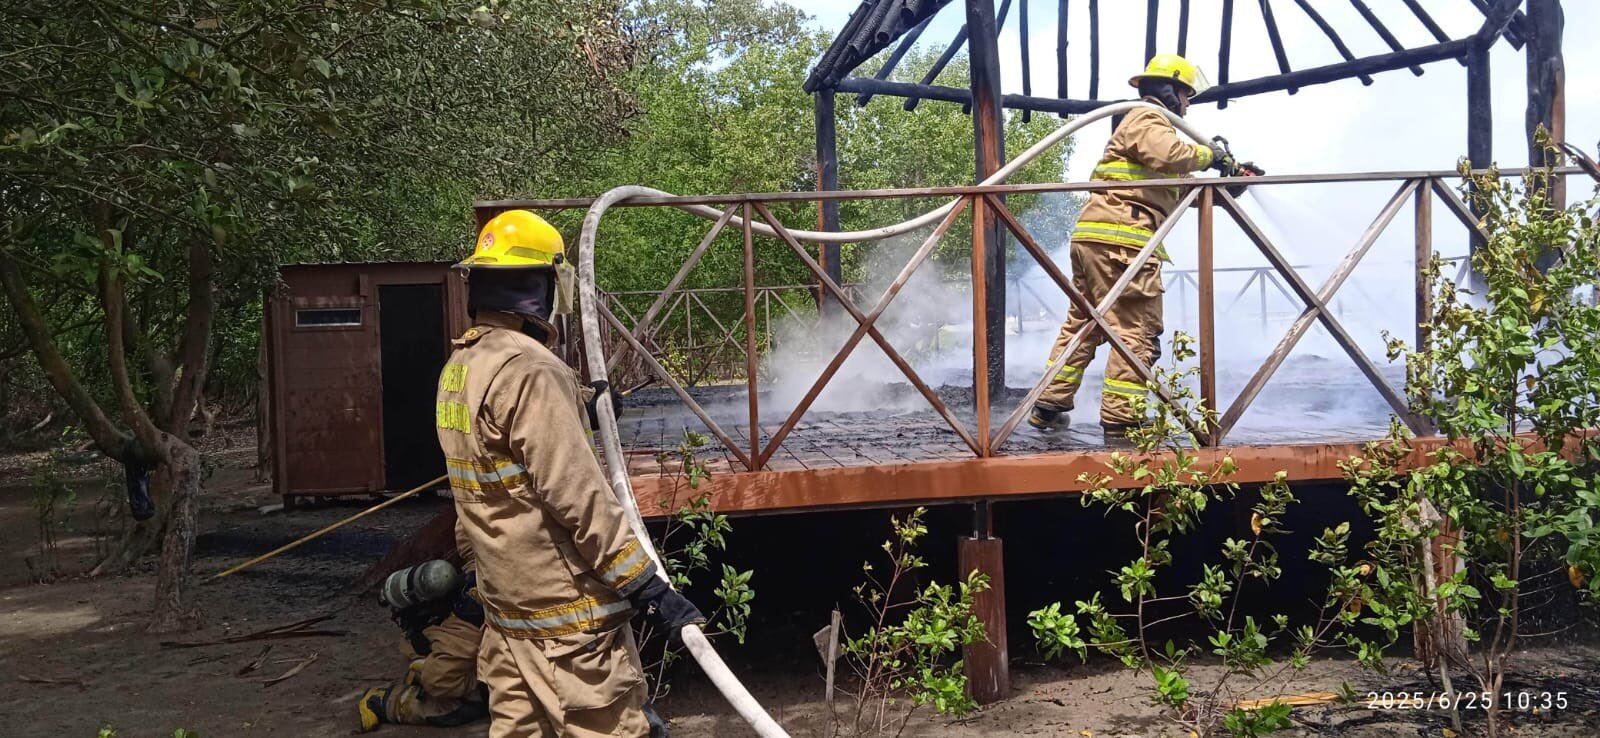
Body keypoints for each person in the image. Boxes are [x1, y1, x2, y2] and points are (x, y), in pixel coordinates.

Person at [436, 210, 704, 738]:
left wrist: (582, 403)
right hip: (568, 622)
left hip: (509, 616)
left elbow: (502, 447)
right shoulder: (535, 371)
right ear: (546, 285)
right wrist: (647, 587)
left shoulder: (460, 367)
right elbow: (579, 496)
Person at [1030, 54, 1258, 434]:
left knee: (1085, 325)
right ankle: (1123, 423)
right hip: (1123, 244)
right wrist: (1211, 155)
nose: (1187, 106)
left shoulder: (1153, 131)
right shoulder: (1146, 118)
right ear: (1170, 91)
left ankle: (1049, 406)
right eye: (1186, 96)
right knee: (1135, 329)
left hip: (1100, 240)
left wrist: (1236, 182)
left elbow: (1188, 190)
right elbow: (1170, 155)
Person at [357, 555, 489, 731]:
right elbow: (440, 679)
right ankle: (383, 702)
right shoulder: (478, 574)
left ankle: (410, 681)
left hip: (464, 658)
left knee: (459, 701)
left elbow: (439, 681)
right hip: (454, 658)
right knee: (453, 709)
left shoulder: (457, 634)